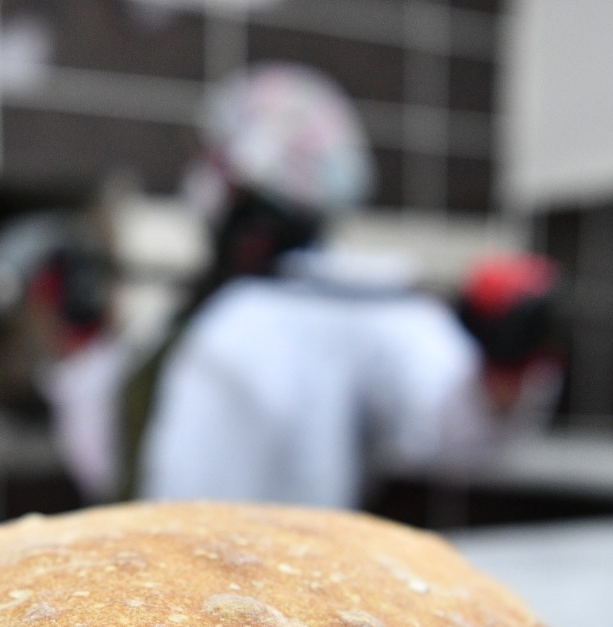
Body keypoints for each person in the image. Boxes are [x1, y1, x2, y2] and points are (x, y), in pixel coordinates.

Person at [124, 64, 549, 509]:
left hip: (278, 571)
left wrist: (507, 360)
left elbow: (456, 425)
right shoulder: (207, 308)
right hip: (154, 562)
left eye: (214, 166)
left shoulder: (349, 303)